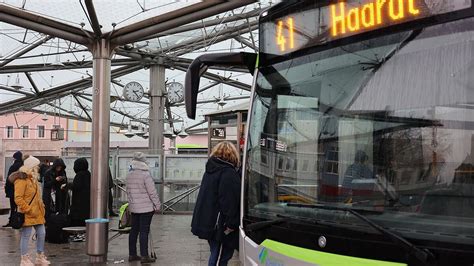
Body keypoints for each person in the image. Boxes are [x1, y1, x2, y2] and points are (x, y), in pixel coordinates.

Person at [191, 141, 241, 266]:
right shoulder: (229, 173)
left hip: (209, 221)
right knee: (222, 257)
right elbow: (229, 202)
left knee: (214, 253)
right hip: (222, 224)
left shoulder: (209, 171)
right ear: (233, 155)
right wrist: (231, 224)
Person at [10, 156, 50, 265]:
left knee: (42, 233)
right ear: (31, 166)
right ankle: (24, 259)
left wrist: (42, 207)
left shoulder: (33, 179)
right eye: (36, 165)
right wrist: (28, 209)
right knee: (26, 235)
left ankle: (39, 257)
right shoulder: (21, 180)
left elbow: (37, 197)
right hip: (27, 213)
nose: (38, 167)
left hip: (38, 213)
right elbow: (18, 198)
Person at [126, 152, 161, 263]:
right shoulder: (145, 174)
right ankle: (144, 256)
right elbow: (152, 192)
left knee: (134, 230)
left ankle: (132, 254)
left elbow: (128, 191)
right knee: (144, 231)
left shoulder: (129, 174)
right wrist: (157, 205)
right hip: (146, 208)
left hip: (134, 208)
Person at [3, 151, 23, 227]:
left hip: (13, 190)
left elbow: (9, 179)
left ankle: (12, 221)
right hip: (21, 190)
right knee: (20, 206)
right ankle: (20, 221)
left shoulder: (14, 166)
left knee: (13, 206)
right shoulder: (23, 166)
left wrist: (7, 189)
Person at [69, 158, 91, 226]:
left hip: (78, 206)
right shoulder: (88, 174)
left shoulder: (79, 175)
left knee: (78, 224)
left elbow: (76, 187)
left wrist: (68, 185)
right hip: (87, 205)